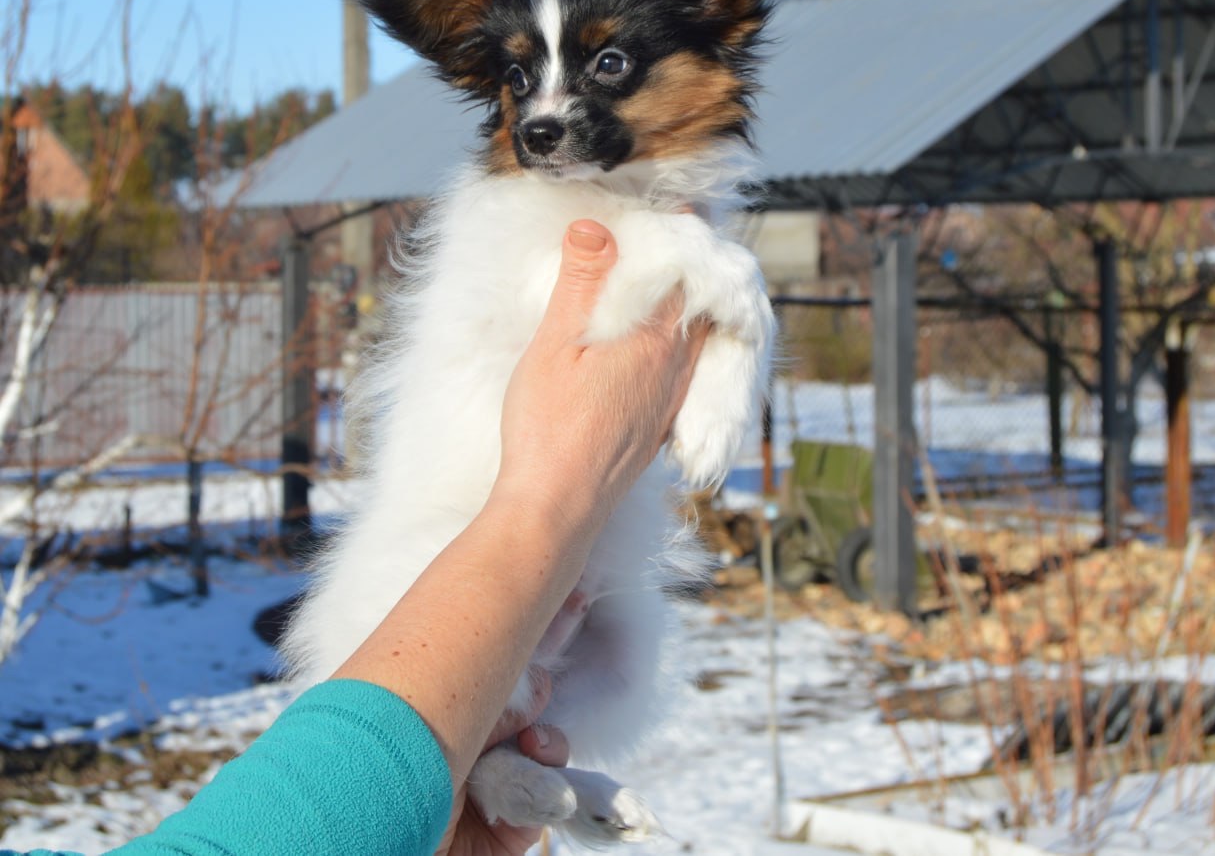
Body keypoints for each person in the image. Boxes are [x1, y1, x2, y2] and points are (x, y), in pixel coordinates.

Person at [1, 220, 708, 856]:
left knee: (625, 667)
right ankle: (487, 765)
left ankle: (487, 764)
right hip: (479, 549)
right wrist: (549, 499)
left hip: (465, 739)